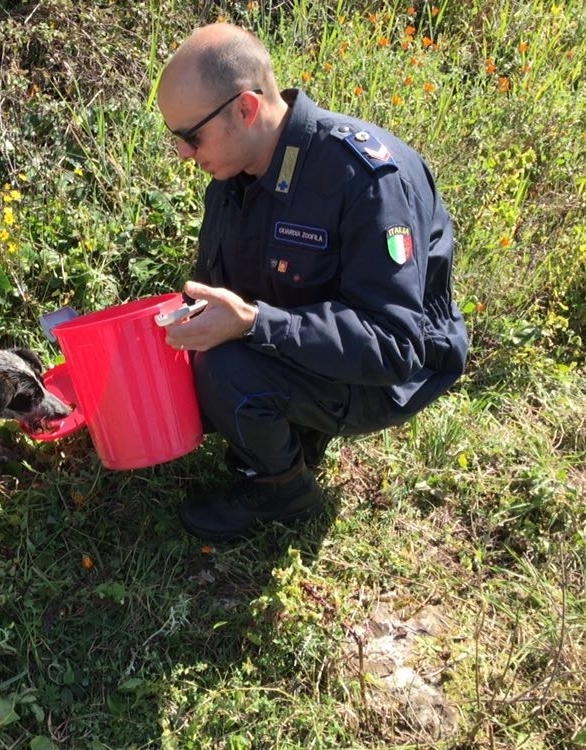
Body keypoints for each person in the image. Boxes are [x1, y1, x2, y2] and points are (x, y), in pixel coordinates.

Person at [156, 23, 468, 542]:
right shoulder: (232, 175)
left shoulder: (365, 179)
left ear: (246, 110)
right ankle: (293, 427)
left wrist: (255, 326)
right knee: (194, 365)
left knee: (225, 367)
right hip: (319, 344)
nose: (185, 154)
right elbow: (216, 287)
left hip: (393, 374)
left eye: (191, 137)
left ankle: (285, 492)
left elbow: (396, 347)